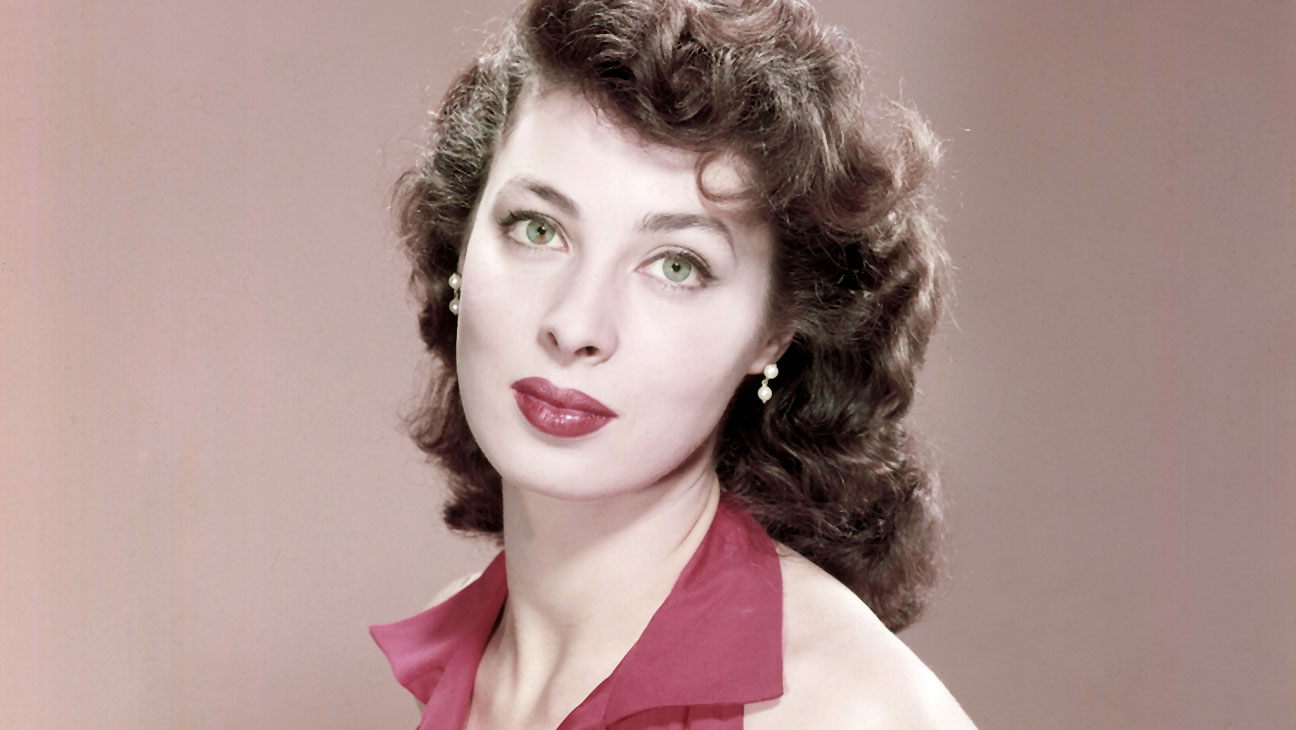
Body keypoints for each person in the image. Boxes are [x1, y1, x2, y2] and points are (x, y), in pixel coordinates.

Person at [370, 0, 977, 727]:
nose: (575, 325)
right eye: (537, 229)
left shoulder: (854, 711)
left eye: (676, 266)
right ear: (461, 244)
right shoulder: (464, 647)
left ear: (775, 334)